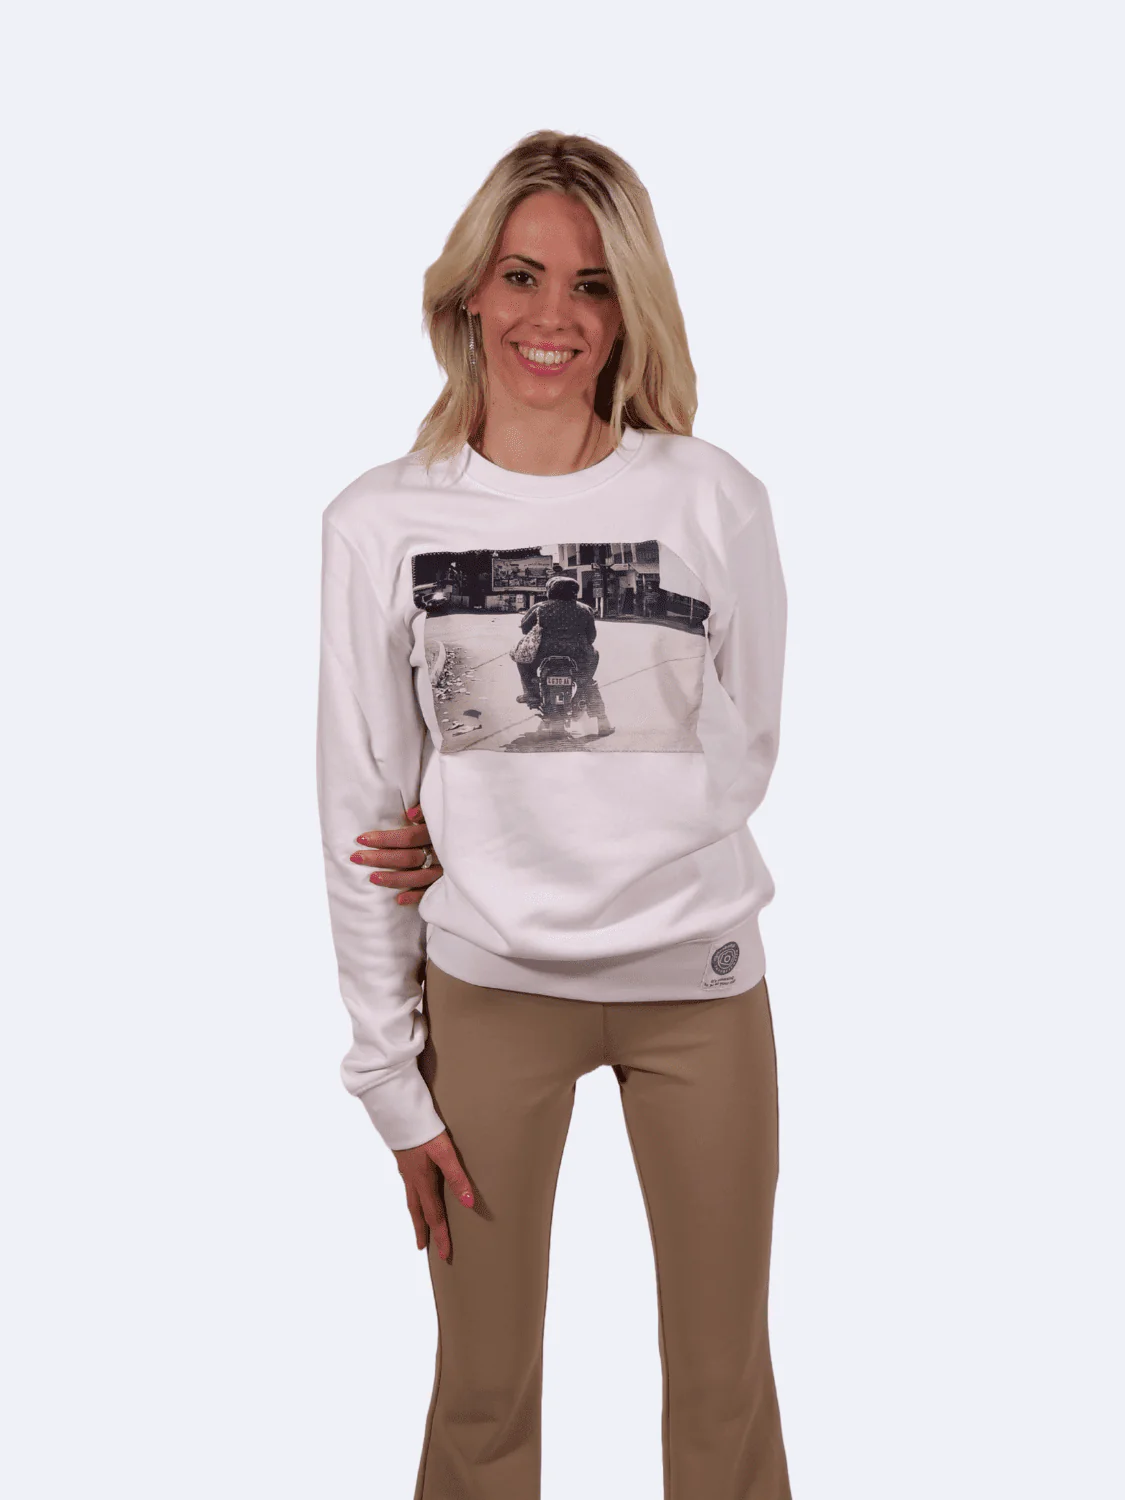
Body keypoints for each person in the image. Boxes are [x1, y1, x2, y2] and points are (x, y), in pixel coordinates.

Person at [316, 129, 792, 1499]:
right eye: (522, 275)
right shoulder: (378, 522)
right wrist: (389, 1077)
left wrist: (562, 819)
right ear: (471, 290)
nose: (553, 316)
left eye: (591, 284)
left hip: (698, 986)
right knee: (479, 1393)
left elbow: (748, 745)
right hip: (488, 991)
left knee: (722, 1386)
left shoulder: (712, 497)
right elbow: (360, 805)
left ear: (627, 306)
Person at [512, 573, 614, 735]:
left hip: (544, 653)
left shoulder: (539, 608)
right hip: (579, 654)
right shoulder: (584, 609)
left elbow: (525, 629)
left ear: (551, 591)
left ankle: (531, 693)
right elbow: (591, 636)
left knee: (522, 660)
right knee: (587, 681)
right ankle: (602, 722)